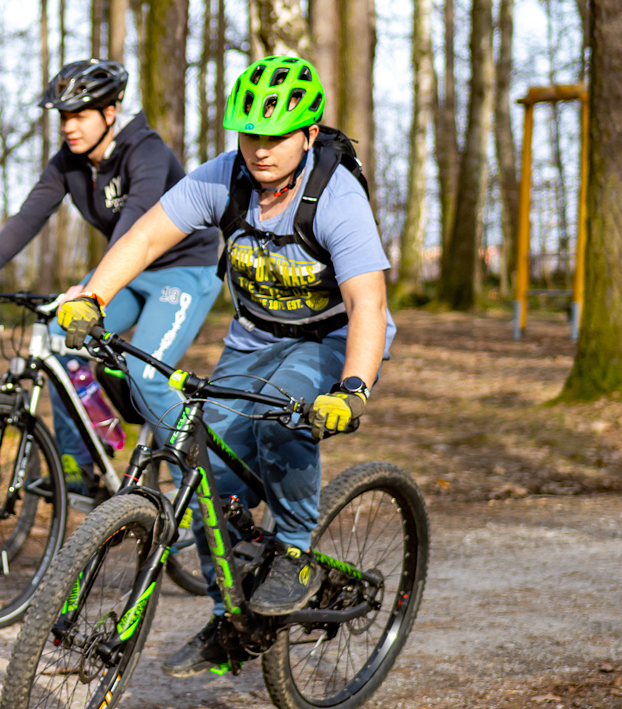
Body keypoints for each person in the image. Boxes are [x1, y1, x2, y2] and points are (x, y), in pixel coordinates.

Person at [55, 54, 393, 677]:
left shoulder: (336, 197)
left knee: (280, 420)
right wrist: (93, 296)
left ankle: (294, 553)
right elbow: (145, 237)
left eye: (276, 136)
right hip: (253, 338)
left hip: (329, 340)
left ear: (309, 134)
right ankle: (230, 619)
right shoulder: (224, 178)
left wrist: (352, 389)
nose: (259, 149)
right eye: (249, 134)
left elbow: (367, 303)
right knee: (207, 477)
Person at [0, 59, 221, 494]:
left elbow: (135, 223)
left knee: (146, 376)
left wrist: (93, 287)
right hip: (129, 274)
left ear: (110, 113)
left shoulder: (147, 151)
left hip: (183, 271)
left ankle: (206, 490)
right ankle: (79, 471)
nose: (69, 127)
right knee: (61, 340)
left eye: (79, 115)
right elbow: (29, 216)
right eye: (63, 117)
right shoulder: (68, 162)